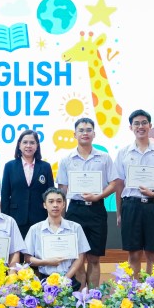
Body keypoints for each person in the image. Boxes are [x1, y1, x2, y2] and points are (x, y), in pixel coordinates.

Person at [114, 109, 154, 275]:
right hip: (131, 206)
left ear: (150, 125)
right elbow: (119, 185)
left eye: (144, 123)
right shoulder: (123, 153)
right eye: (136, 123)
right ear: (131, 127)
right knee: (133, 254)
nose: (140, 126)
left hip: (153, 205)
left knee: (152, 254)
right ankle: (134, 289)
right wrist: (119, 212)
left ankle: (151, 289)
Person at [56, 118, 118, 288]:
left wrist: (98, 196)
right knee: (77, 257)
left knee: (94, 257)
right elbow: (62, 189)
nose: (85, 133)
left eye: (89, 130)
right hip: (75, 210)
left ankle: (93, 297)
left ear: (94, 134)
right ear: (74, 134)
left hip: (97, 210)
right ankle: (80, 295)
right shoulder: (66, 159)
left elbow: (114, 183)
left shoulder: (104, 158)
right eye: (81, 130)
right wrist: (61, 218)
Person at [24, 187, 90, 291]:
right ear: (44, 205)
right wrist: (46, 262)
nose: (55, 205)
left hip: (69, 280)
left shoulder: (75, 227)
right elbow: (27, 258)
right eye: (51, 202)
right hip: (44, 281)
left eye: (59, 201)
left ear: (64, 204)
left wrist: (66, 278)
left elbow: (81, 256)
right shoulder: (35, 229)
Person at [1, 130, 54, 240]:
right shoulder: (9, 166)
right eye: (25, 142)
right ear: (19, 145)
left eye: (32, 142)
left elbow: (51, 195)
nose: (28, 146)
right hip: (16, 218)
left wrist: (51, 218)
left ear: (37, 145)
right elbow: (5, 195)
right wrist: (5, 220)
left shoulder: (45, 167)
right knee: (18, 250)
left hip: (40, 218)